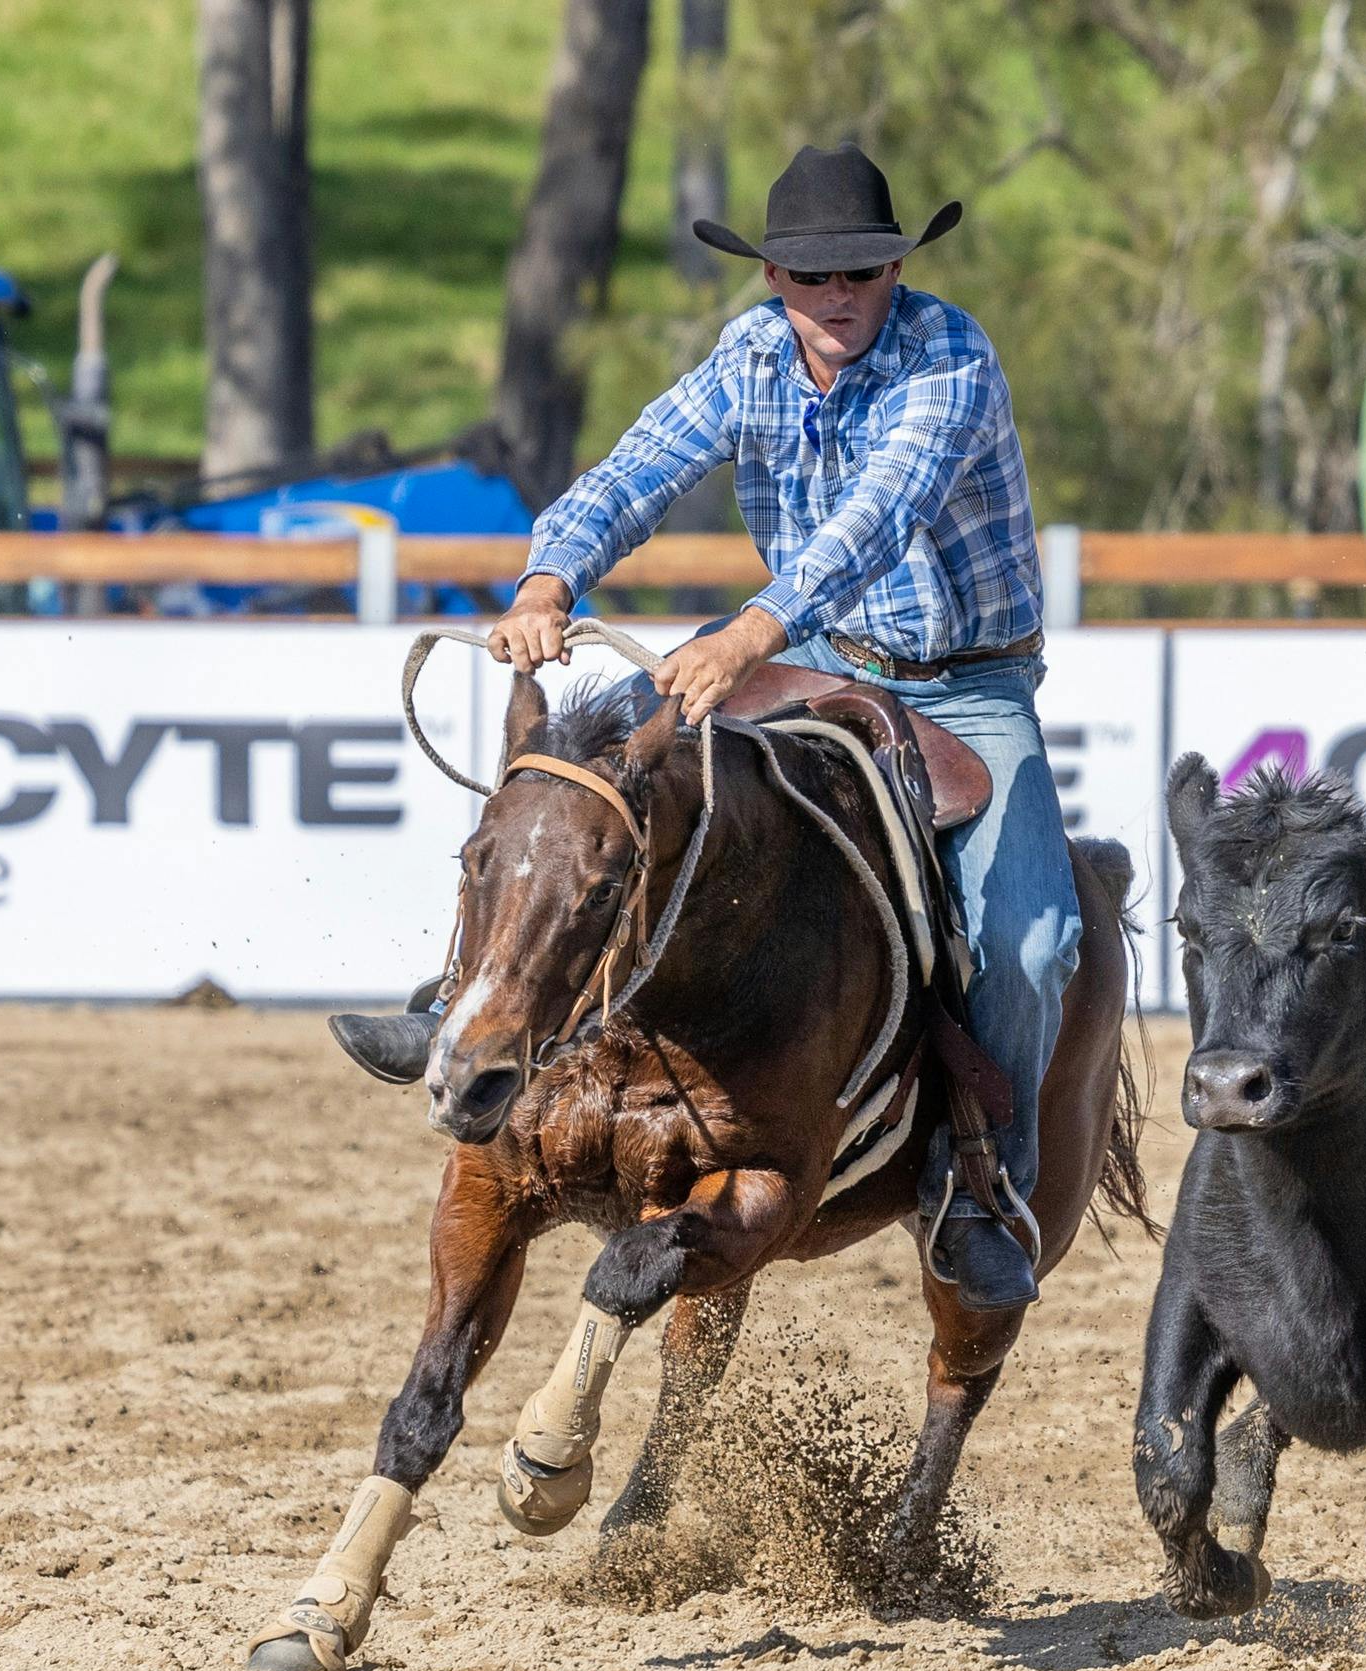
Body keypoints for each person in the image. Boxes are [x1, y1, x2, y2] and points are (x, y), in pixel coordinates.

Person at [333, 144, 1075, 1315]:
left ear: (897, 268)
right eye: (811, 276)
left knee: (1032, 945)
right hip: (804, 653)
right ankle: (458, 1004)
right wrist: (547, 580)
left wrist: (750, 632)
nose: (840, 299)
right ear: (772, 277)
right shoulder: (747, 358)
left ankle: (983, 1189)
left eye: (865, 273)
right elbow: (635, 470)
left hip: (965, 686)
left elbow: (877, 521)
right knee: (569, 786)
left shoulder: (951, 357)